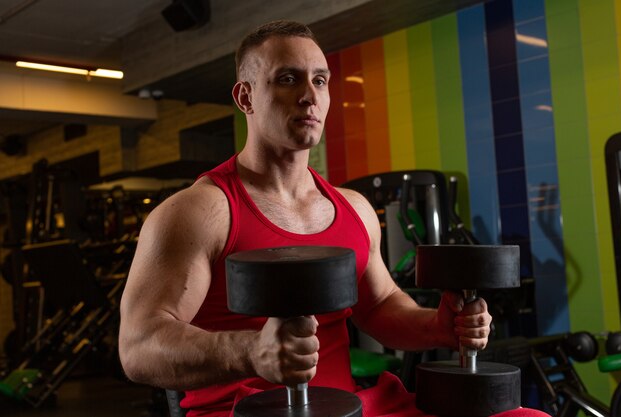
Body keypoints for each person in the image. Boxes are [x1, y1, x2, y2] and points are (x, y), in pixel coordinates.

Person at [118, 20, 549, 417]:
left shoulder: (354, 209)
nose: (310, 94)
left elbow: (378, 306)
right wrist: (250, 352)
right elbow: (138, 347)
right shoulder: (197, 211)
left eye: (320, 80)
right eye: (288, 79)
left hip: (351, 407)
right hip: (242, 410)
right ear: (245, 96)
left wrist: (437, 325)